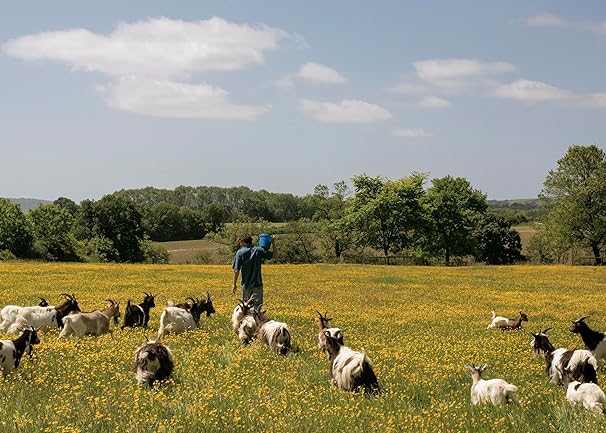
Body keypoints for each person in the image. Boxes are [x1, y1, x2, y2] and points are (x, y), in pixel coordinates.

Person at [232, 233, 276, 309]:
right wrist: (273, 242)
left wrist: (234, 284)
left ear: (242, 241)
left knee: (246, 309)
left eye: (239, 242)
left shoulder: (240, 252)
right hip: (258, 285)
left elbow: (236, 270)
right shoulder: (258, 250)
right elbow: (274, 255)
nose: (239, 244)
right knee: (257, 309)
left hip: (246, 286)